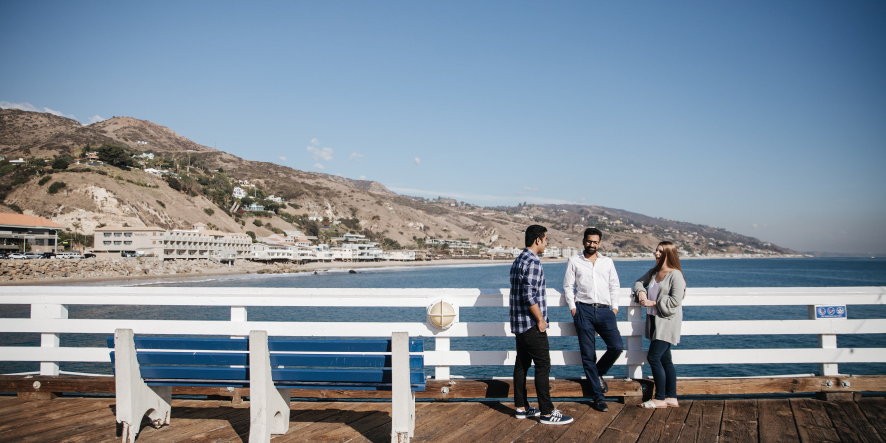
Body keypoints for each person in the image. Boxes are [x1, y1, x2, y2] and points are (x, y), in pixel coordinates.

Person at [510, 225, 574, 425]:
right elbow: (529, 295)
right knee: (543, 365)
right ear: (538, 240)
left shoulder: (518, 260)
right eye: (546, 239)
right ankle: (547, 412)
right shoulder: (534, 262)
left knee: (522, 365)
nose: (546, 243)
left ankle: (521, 407)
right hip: (531, 324)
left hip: (518, 324)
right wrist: (540, 320)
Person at [563, 227, 622, 413]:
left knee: (617, 346)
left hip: (606, 312)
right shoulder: (574, 261)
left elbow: (615, 286)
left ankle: (597, 374)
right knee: (588, 355)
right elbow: (568, 286)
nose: (592, 244)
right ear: (584, 241)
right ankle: (598, 397)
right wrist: (573, 308)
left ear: (600, 243)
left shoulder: (608, 262)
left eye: (595, 242)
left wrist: (614, 308)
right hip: (584, 311)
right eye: (589, 241)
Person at [632, 241, 687, 408]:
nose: (656, 254)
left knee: (653, 357)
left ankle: (660, 398)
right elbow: (638, 283)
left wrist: (653, 303)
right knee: (665, 360)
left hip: (667, 322)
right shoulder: (655, 272)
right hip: (655, 321)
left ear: (669, 254)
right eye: (656, 250)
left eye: (660, 252)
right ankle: (672, 397)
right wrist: (641, 292)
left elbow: (675, 301)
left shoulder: (675, 275)